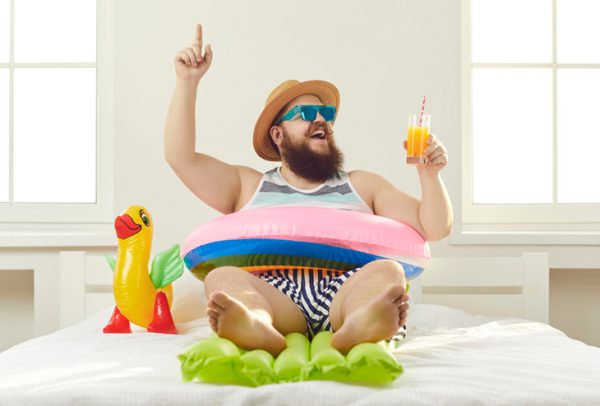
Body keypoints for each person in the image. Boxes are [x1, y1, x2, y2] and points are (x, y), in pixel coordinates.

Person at [164, 24, 452, 356]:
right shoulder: (248, 186)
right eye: (305, 114)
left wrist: (430, 175)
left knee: (388, 271)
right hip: (275, 295)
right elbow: (180, 158)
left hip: (345, 290)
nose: (320, 120)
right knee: (223, 277)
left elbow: (433, 227)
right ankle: (255, 323)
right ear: (278, 135)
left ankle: (359, 322)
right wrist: (187, 82)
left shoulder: (362, 185)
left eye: (326, 114)